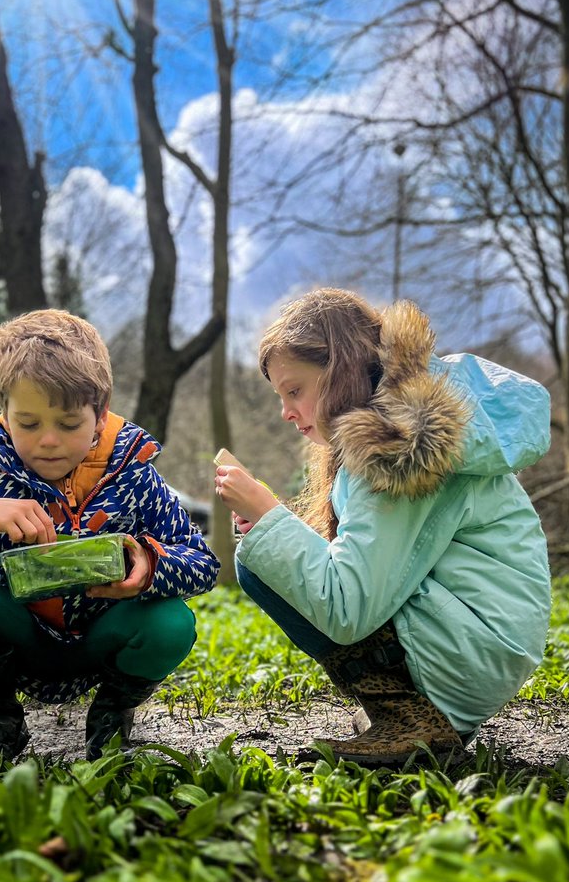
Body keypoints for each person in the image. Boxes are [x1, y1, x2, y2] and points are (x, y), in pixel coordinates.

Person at [215, 287, 551, 765]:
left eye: (295, 390)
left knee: (260, 566)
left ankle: (413, 717)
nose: (286, 412)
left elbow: (349, 608)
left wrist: (271, 520)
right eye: (280, 395)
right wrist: (276, 526)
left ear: (341, 373)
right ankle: (419, 710)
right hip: (482, 642)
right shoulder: (402, 426)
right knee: (269, 555)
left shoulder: (399, 452)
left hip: (472, 650)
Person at [0, 309, 219, 764]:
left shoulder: (136, 476)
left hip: (104, 640)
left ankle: (111, 715)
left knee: (172, 622)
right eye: (28, 423)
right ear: (4, 415)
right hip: (20, 642)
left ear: (100, 416)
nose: (47, 441)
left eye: (67, 424)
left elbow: (203, 563)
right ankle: (0, 719)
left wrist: (148, 565)